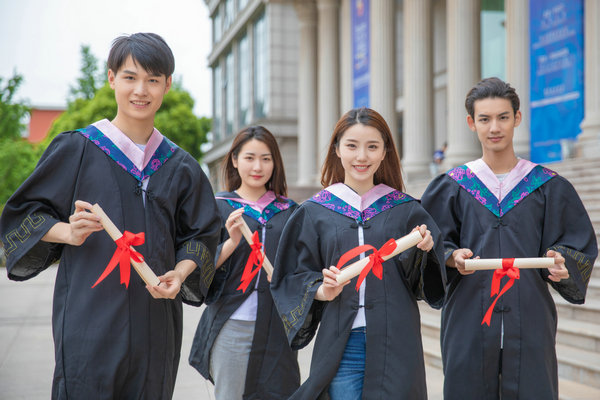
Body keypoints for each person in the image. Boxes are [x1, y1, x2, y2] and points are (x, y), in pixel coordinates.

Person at [0, 33, 221, 399]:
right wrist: (67, 232)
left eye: (153, 80)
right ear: (111, 79)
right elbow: (22, 213)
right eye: (131, 77)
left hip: (155, 324)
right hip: (90, 319)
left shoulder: (180, 166)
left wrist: (180, 274)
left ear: (167, 84)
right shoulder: (79, 149)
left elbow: (203, 234)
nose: (141, 90)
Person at [421, 77, 597, 400]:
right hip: (469, 320)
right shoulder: (453, 186)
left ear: (517, 118)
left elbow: (576, 245)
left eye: (503, 117)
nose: (494, 128)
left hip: (528, 318)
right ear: (471, 123)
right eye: (485, 119)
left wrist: (562, 263)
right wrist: (451, 256)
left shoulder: (546, 186)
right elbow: (433, 242)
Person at [270, 107, 447, 399]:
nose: (361, 156)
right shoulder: (315, 213)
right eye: (352, 146)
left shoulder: (406, 210)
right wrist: (322, 290)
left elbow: (426, 282)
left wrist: (426, 251)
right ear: (337, 149)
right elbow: (291, 276)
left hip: (397, 339)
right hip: (344, 341)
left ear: (384, 152)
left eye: (372, 147)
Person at [189, 126, 300, 399]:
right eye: (249, 158)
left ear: (275, 163)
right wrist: (230, 242)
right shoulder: (219, 207)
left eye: (266, 158)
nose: (258, 166)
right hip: (233, 324)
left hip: (277, 327)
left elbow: (302, 267)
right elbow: (198, 268)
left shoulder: (291, 212)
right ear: (235, 160)